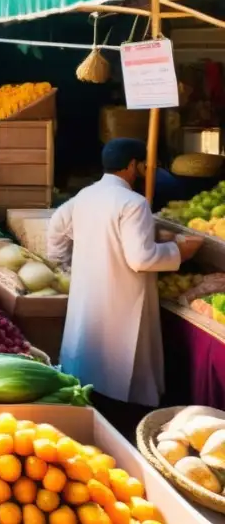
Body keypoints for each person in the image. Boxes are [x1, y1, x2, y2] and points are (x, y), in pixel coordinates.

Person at [47, 138, 202, 422]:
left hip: (90, 288)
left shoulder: (86, 195)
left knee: (91, 350)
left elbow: (56, 227)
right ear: (133, 165)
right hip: (123, 291)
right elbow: (141, 259)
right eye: (144, 164)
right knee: (122, 355)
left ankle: (94, 402)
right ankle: (121, 416)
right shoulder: (134, 203)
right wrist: (180, 250)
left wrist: (67, 266)